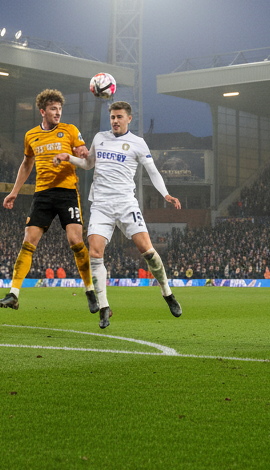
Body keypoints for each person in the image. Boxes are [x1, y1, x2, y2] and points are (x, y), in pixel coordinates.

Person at [56, 100, 182, 329]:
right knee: (95, 253)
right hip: (101, 204)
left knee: (148, 251)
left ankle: (167, 292)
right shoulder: (99, 138)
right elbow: (88, 164)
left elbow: (153, 172)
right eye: (112, 117)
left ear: (128, 119)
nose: (115, 121)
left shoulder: (138, 143)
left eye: (119, 117)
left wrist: (166, 195)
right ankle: (104, 308)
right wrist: (69, 158)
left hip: (126, 204)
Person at [0, 89, 98, 312]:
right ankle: (13, 294)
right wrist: (15, 191)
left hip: (67, 192)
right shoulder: (31, 135)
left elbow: (82, 151)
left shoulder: (70, 130)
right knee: (28, 240)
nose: (58, 112)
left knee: (75, 240)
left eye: (60, 109)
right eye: (53, 109)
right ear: (42, 111)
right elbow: (26, 164)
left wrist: (81, 151)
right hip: (42, 194)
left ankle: (90, 289)